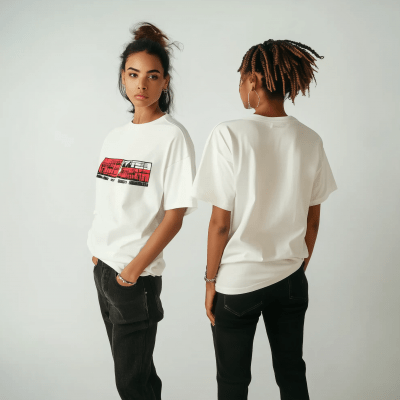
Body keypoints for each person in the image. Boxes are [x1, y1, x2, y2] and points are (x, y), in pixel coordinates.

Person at [191, 39, 337, 400]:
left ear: (254, 80)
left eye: (241, 77)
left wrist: (210, 282)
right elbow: (312, 220)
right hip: (289, 280)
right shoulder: (310, 140)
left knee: (233, 383)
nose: (239, 85)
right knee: (291, 374)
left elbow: (220, 224)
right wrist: (295, 268)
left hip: (237, 282)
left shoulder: (228, 134)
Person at [87, 22, 197, 400]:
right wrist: (99, 252)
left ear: (165, 82)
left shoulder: (173, 137)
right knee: (139, 378)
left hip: (134, 277)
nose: (141, 85)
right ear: (123, 76)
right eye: (133, 75)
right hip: (105, 269)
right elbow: (108, 200)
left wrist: (132, 270)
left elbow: (175, 215)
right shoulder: (114, 136)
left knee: (131, 384)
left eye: (152, 76)